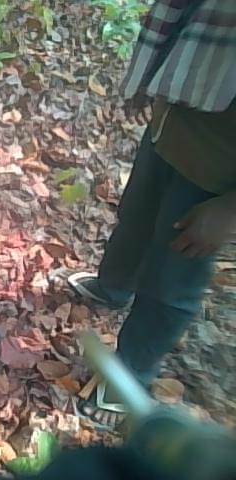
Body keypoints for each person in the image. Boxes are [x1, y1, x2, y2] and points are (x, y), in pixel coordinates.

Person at [68, 0, 236, 430]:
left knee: (172, 279)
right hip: (172, 124)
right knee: (135, 220)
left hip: (218, 170)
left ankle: (128, 379)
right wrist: (149, 80)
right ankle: (112, 288)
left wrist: (230, 208)